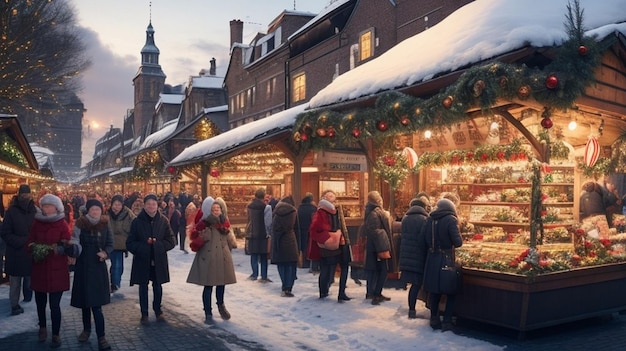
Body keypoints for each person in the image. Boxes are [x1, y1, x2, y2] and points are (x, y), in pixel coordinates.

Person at [27, 193, 76, 348]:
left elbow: (68, 244)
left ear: (56, 208)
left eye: (49, 206)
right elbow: (29, 242)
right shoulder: (36, 223)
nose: (46, 208)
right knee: (40, 303)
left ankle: (56, 334)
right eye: (44, 206)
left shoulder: (62, 223)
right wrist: (33, 248)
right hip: (40, 268)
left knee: (55, 305)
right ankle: (42, 327)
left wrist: (60, 248)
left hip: (57, 270)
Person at [126, 194, 177, 324]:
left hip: (158, 259)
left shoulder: (163, 221)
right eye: (148, 204)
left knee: (158, 286)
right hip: (142, 259)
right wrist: (144, 246)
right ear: (144, 205)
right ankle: (144, 313)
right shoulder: (137, 222)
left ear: (157, 205)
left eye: (153, 204)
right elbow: (130, 243)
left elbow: (171, 241)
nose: (151, 206)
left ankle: (158, 310)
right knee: (143, 286)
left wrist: (158, 245)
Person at [70, 199, 113, 350]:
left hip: (98, 267)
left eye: (98, 209)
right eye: (93, 209)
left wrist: (105, 253)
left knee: (96, 305)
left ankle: (101, 336)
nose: (95, 211)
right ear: (88, 210)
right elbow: (74, 241)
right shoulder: (80, 224)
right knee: (84, 304)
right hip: (82, 266)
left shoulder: (105, 224)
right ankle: (86, 330)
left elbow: (110, 243)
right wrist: (73, 249)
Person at [187, 197, 237, 324]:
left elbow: (230, 240)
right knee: (208, 285)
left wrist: (231, 242)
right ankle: (208, 312)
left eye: (218, 208)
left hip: (222, 257)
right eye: (213, 208)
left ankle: (221, 306)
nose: (216, 211)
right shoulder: (203, 223)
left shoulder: (225, 222)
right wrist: (202, 237)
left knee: (222, 283)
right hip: (208, 258)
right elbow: (194, 241)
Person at [419, 198, 463, 332]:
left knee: (435, 290)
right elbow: (458, 242)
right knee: (451, 290)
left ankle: (434, 318)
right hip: (447, 258)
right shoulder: (451, 219)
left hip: (432, 258)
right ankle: (447, 321)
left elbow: (423, 239)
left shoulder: (429, 219)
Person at [308, 190, 351, 302]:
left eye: (333, 195)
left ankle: (330, 292)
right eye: (330, 196)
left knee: (334, 267)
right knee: (329, 268)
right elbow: (314, 230)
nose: (332, 197)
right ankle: (330, 292)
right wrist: (329, 238)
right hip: (331, 245)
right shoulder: (322, 212)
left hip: (339, 243)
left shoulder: (336, 210)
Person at [0, 184, 36, 316]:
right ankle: (14, 305)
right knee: (15, 282)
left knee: (29, 279)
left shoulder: (35, 210)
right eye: (23, 194)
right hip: (16, 252)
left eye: (27, 194)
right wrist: (22, 241)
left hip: (30, 252)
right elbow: (5, 233)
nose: (25, 197)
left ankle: (28, 298)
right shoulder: (11, 212)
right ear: (19, 195)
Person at [399, 196, 430, 319]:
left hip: (407, 254)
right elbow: (425, 239)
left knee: (414, 285)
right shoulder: (424, 219)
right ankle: (417, 309)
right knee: (418, 283)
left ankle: (412, 309)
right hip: (419, 255)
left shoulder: (405, 218)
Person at [363, 190, 393, 305]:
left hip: (376, 247)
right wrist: (382, 244)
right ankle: (376, 294)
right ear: (377, 200)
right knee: (383, 271)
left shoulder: (373, 212)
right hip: (378, 248)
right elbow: (375, 231)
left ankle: (375, 292)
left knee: (377, 271)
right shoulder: (375, 213)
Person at [271, 195, 299, 297]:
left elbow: (273, 227)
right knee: (291, 264)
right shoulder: (293, 212)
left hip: (279, 241)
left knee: (282, 265)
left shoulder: (276, 212)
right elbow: (297, 229)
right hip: (290, 241)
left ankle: (284, 286)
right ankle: (289, 287)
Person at [107, 194, 136, 292]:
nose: (117, 207)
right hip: (109, 242)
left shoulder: (128, 213)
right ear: (111, 204)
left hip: (121, 244)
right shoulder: (107, 213)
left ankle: (115, 283)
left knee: (117, 265)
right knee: (115, 264)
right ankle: (114, 282)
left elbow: (135, 223)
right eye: (115, 204)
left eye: (119, 204)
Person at [246, 188, 272, 282]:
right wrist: (268, 233)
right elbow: (268, 222)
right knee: (263, 256)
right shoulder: (266, 207)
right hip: (262, 233)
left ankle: (254, 274)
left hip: (252, 233)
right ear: (263, 196)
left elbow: (248, 220)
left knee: (254, 255)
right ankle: (264, 275)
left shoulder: (250, 206)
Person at [297, 193, 317, 270]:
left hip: (301, 230)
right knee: (310, 246)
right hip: (310, 230)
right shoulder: (313, 209)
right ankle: (309, 263)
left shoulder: (300, 208)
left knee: (303, 246)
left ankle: (303, 262)